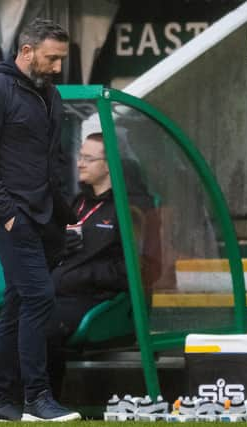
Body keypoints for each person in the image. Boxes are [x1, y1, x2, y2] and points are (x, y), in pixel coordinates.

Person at [0, 18, 80, 422]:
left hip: (46, 217)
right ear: (26, 51)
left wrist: (67, 217)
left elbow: (54, 162)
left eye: (60, 59)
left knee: (18, 304)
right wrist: (10, 215)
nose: (56, 67)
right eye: (51, 58)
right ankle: (36, 398)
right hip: (10, 217)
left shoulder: (51, 94)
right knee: (38, 298)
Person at [45, 133, 159, 398]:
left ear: (108, 165)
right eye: (80, 156)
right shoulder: (77, 202)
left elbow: (138, 268)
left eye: (88, 158)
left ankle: (44, 402)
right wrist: (59, 249)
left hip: (99, 301)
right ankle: (9, 403)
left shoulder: (130, 208)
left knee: (41, 327)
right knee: (9, 323)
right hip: (59, 294)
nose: (80, 164)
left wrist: (82, 275)